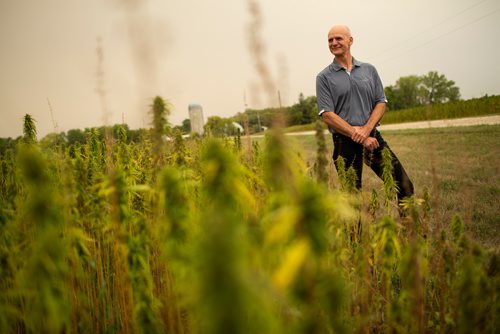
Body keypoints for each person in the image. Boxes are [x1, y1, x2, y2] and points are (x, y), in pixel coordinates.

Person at [316, 24, 414, 206]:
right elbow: (327, 115)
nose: (333, 43)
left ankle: (410, 229)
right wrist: (357, 135)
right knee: (352, 198)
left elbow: (380, 102)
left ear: (350, 40)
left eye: (338, 38)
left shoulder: (369, 70)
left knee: (405, 186)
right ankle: (356, 235)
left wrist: (367, 130)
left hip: (373, 138)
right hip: (344, 141)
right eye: (330, 40)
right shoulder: (324, 77)